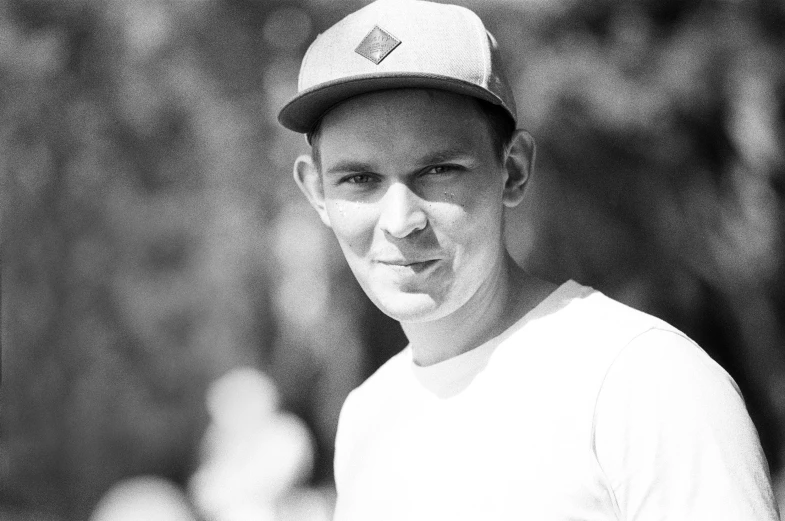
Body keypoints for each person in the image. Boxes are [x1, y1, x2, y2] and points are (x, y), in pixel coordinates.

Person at [277, 1, 780, 519]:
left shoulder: (642, 381)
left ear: (513, 170)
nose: (401, 219)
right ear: (317, 192)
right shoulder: (368, 419)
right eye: (359, 179)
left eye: (439, 170)